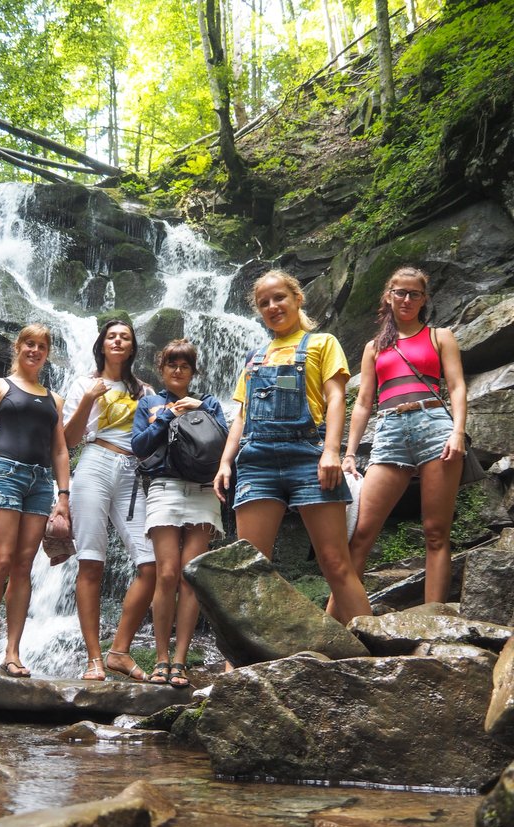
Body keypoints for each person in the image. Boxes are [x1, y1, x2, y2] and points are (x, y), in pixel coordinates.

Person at [213, 270, 372, 625]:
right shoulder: (254, 359)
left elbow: (335, 398)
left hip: (309, 457)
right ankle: (237, 666)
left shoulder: (322, 343)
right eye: (264, 302)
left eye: (279, 297)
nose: (272, 306)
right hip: (256, 462)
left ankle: (378, 648)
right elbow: (240, 415)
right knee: (249, 567)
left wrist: (332, 451)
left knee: (335, 562)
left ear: (298, 298)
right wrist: (225, 462)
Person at [332, 266, 466, 613]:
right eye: (400, 292)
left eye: (414, 294)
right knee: (360, 535)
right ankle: (336, 626)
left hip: (435, 426)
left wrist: (458, 432)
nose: (406, 299)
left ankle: (432, 623)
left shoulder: (440, 336)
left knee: (436, 533)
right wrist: (349, 453)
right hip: (390, 430)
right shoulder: (374, 347)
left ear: (424, 299)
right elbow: (362, 402)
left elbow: (456, 387)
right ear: (388, 296)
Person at [0, 323, 71, 678]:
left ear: (47, 353)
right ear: (17, 347)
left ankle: (13, 652)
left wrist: (63, 496)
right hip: (4, 472)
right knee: (1, 561)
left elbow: (61, 449)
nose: (35, 351)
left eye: (42, 346)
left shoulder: (55, 399)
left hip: (40, 481)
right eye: (29, 344)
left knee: (23, 566)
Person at [63, 319, 156, 681]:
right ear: (102, 344)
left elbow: (152, 439)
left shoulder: (144, 390)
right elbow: (69, 439)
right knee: (91, 562)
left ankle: (119, 651)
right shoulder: (83, 383)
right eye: (112, 336)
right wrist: (88, 400)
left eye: (126, 338)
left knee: (149, 564)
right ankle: (94, 659)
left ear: (132, 348)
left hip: (133, 472)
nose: (118, 341)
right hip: (94, 463)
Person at [132, 339, 227, 688]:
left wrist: (200, 409)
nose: (177, 370)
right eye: (171, 364)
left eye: (184, 365)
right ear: (161, 369)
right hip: (164, 488)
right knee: (167, 573)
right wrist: (167, 417)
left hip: (203, 492)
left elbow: (225, 442)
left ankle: (181, 662)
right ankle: (160, 659)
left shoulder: (210, 403)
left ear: (193, 371)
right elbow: (138, 447)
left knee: (190, 577)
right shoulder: (149, 403)